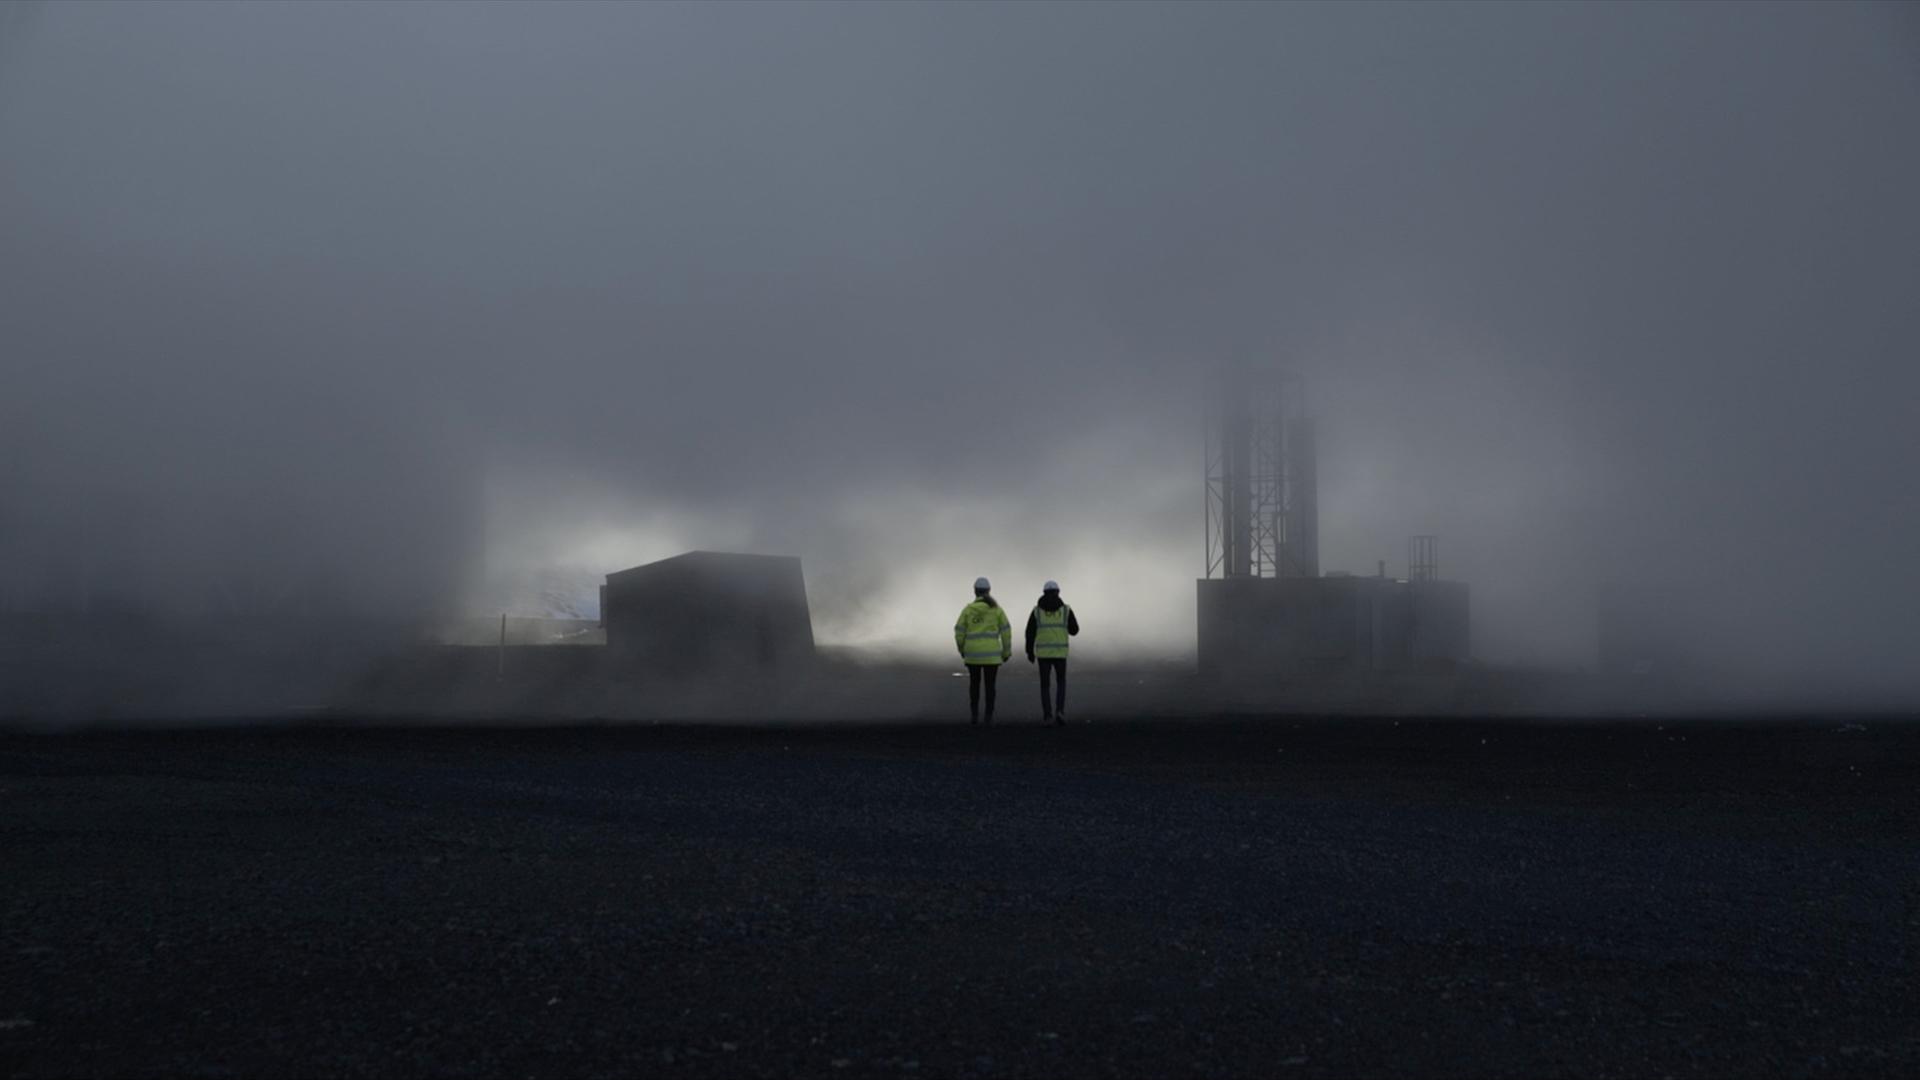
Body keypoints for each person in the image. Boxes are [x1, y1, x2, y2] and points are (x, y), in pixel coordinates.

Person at [953, 576, 1012, 725]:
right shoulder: (997, 610)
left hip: (972, 655)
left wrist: (962, 649)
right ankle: (988, 717)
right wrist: (1006, 652)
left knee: (974, 685)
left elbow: (959, 631)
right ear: (989, 591)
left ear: (975, 592)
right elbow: (1006, 631)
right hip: (992, 656)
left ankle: (974, 716)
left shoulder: (968, 610)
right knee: (990, 686)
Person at [1024, 579, 1080, 725]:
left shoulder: (1036, 611)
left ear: (1044, 593)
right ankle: (1060, 711)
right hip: (1060, 654)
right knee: (1061, 683)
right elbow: (1075, 630)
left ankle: (1047, 715)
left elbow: (1029, 633)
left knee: (1045, 685)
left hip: (1043, 655)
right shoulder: (1066, 610)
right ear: (1058, 592)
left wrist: (1029, 652)